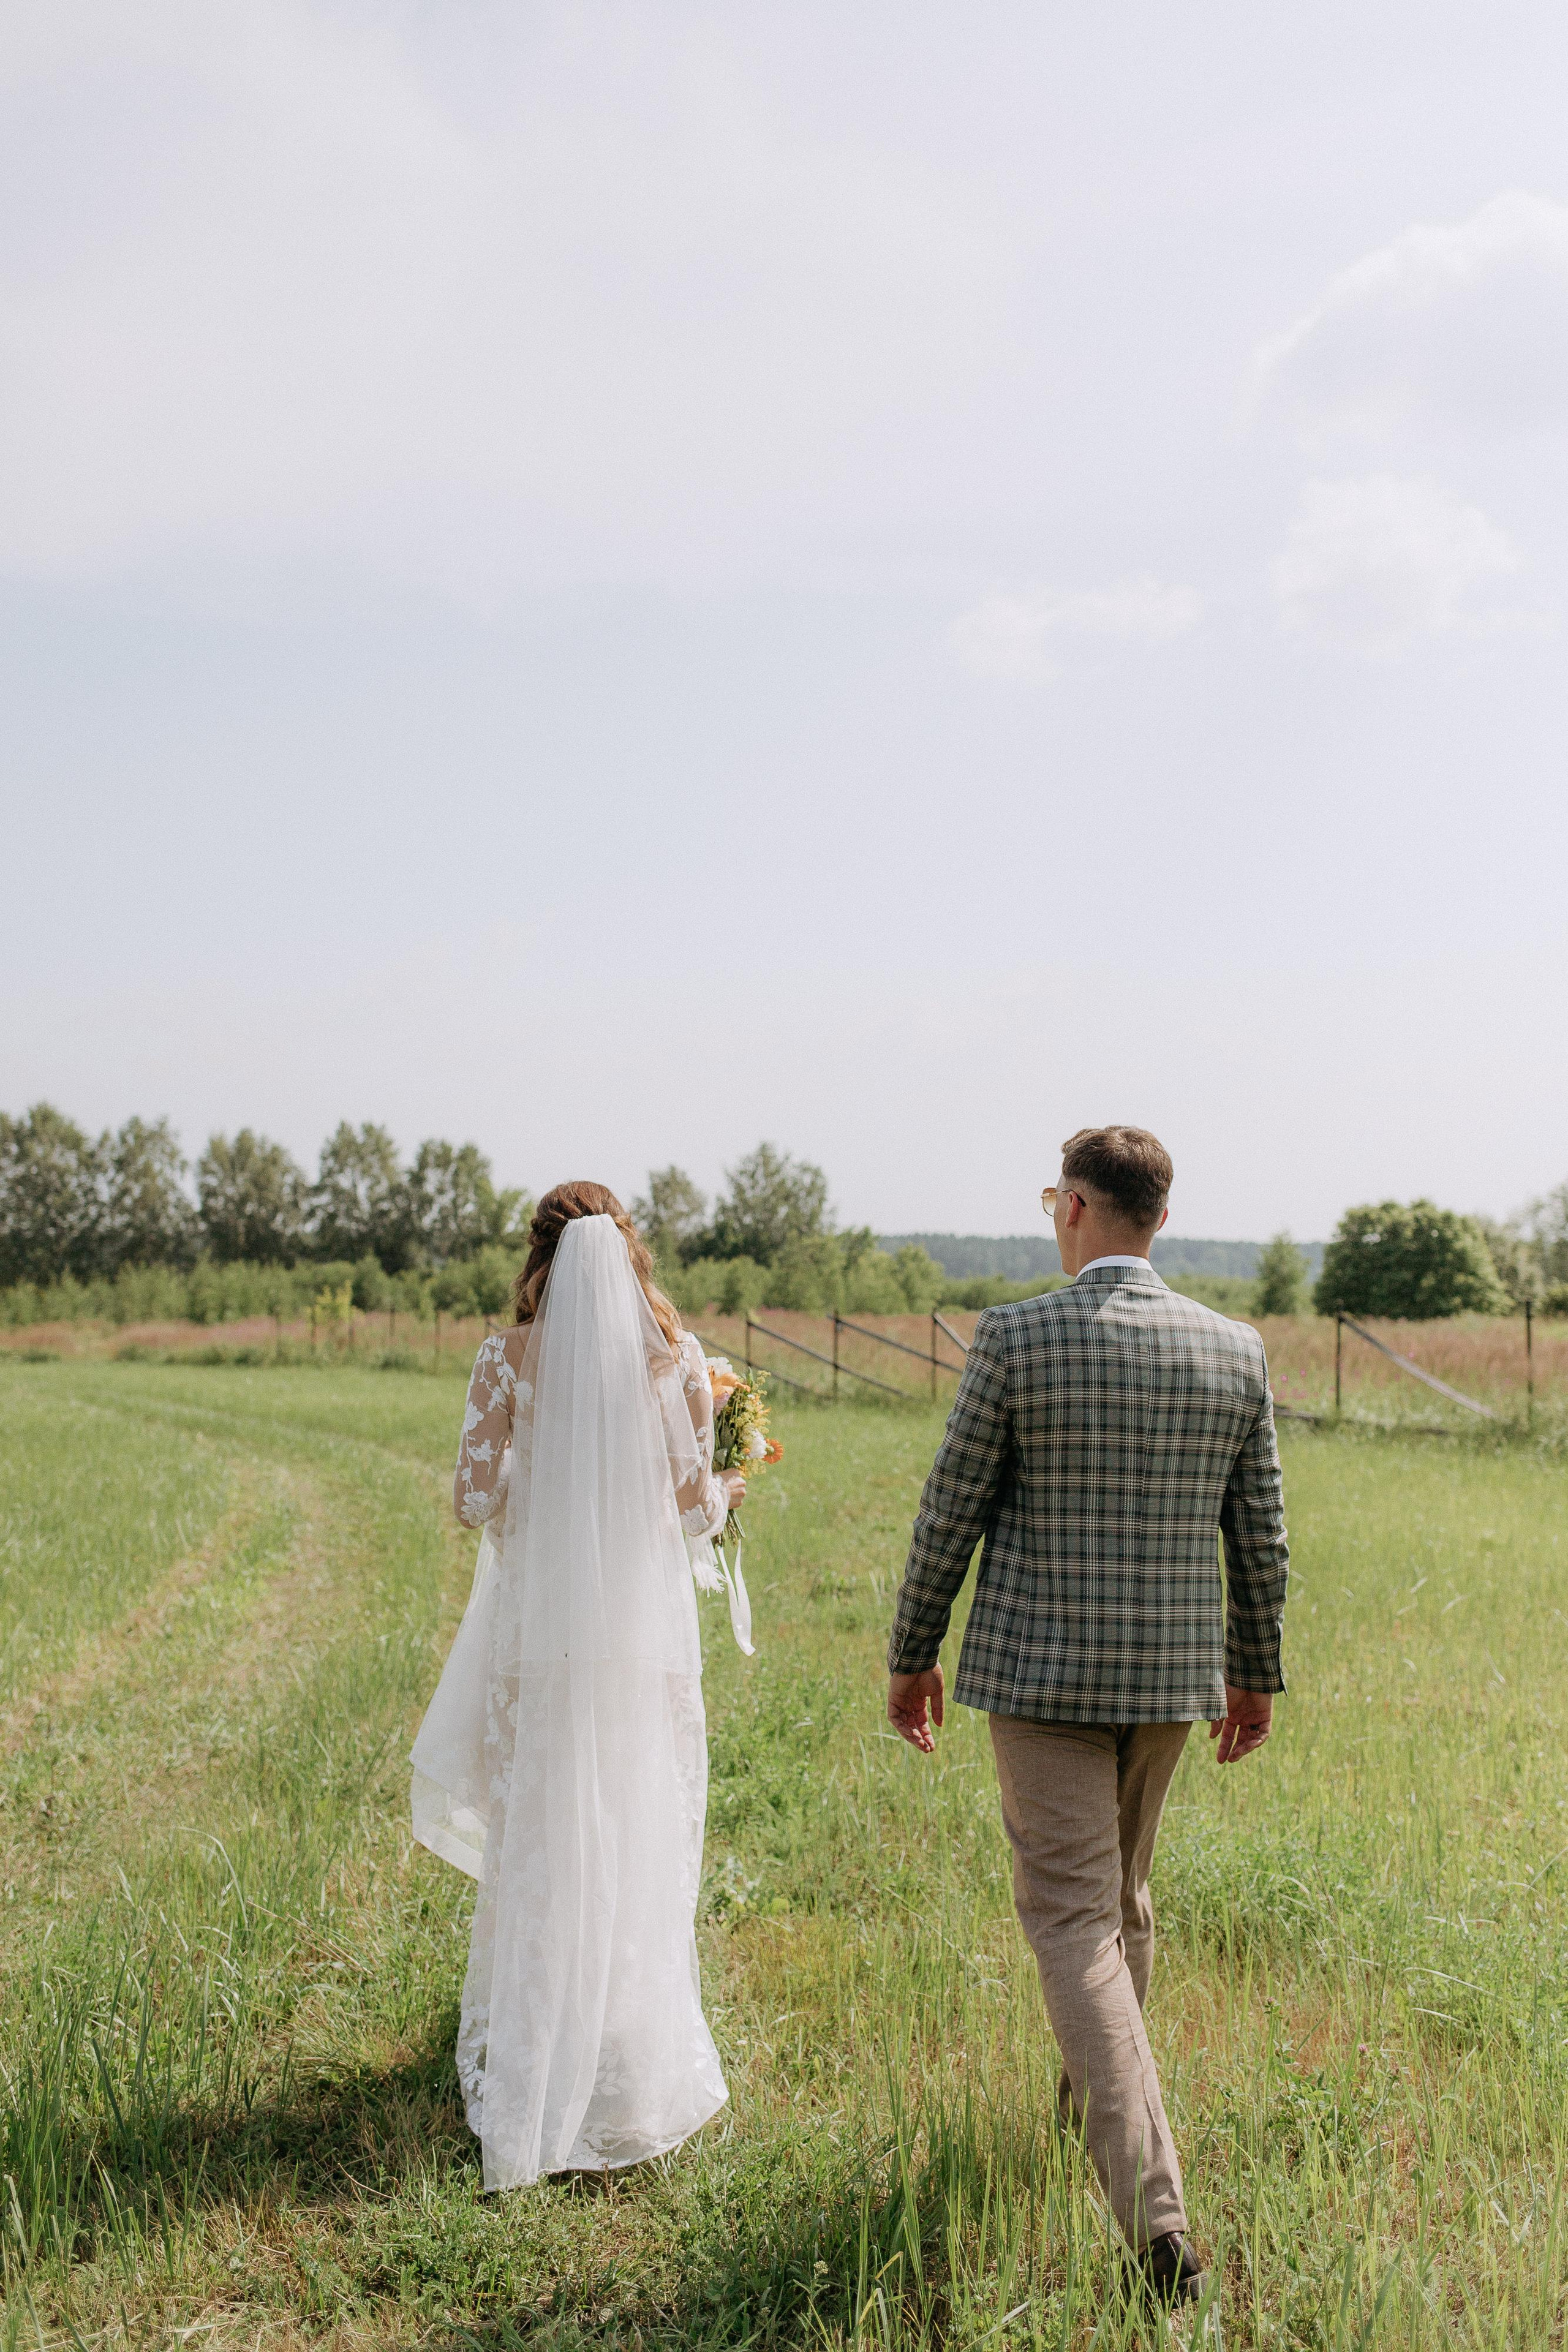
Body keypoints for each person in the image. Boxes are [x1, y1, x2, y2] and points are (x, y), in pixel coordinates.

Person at [885, 1126, 1289, 2313]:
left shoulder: (1013, 1335)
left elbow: (946, 1510)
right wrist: (1252, 1669)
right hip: (1169, 1680)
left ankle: (1153, 2215)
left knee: (1072, 1920)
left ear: (1069, 1208)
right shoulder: (1233, 1349)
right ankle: (1090, 2109)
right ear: (1155, 1220)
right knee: (1119, 1906)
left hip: (1038, 1679)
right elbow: (1257, 1533)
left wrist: (912, 1652)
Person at [410, 1183, 746, 2189]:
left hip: (539, 1640)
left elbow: (473, 1502)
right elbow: (690, 1520)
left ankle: (535, 2058)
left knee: (547, 1834)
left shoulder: (503, 1359)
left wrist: (541, 1497)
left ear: (539, 1255)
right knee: (633, 1824)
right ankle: (626, 2070)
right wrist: (727, 1488)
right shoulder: (677, 1362)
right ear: (629, 1255)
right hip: (639, 1645)